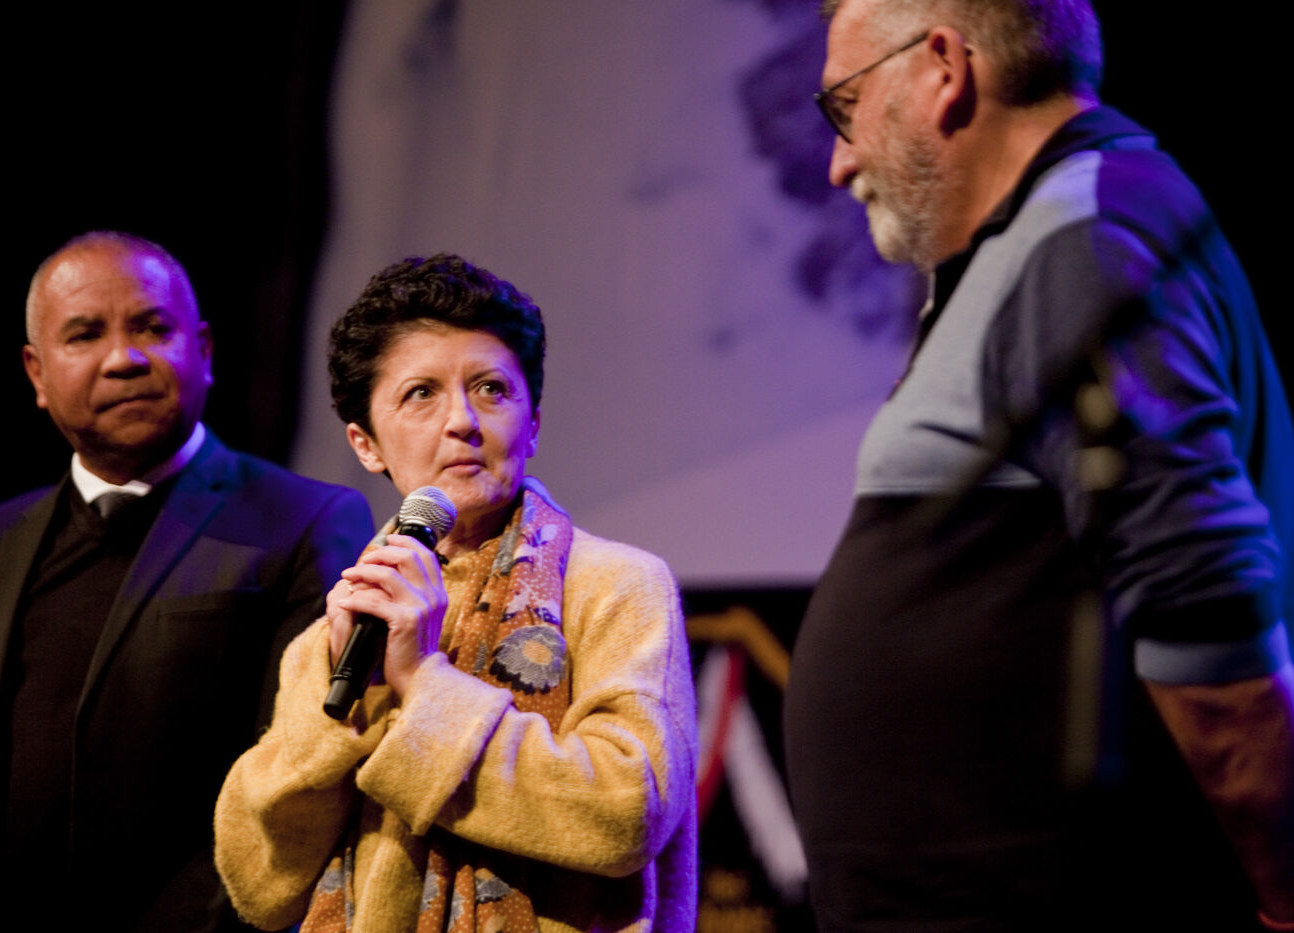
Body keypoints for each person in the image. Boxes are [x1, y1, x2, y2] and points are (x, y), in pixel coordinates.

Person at [782, 1, 1294, 930]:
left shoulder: (1082, 232)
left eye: (846, 106)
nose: (839, 163)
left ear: (943, 67)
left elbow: (1204, 600)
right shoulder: (1047, 237)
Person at [0, 231, 375, 932]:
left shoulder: (304, 523)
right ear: (36, 373)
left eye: (152, 327)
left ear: (204, 351)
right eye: (85, 334)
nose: (124, 358)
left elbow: (298, 777)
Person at [213, 254, 697, 932]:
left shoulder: (616, 585)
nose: (463, 421)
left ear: (533, 422)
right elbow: (260, 886)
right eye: (421, 394)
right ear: (366, 444)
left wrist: (422, 683)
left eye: (492, 389)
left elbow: (626, 815)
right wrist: (339, 708)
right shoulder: (344, 627)